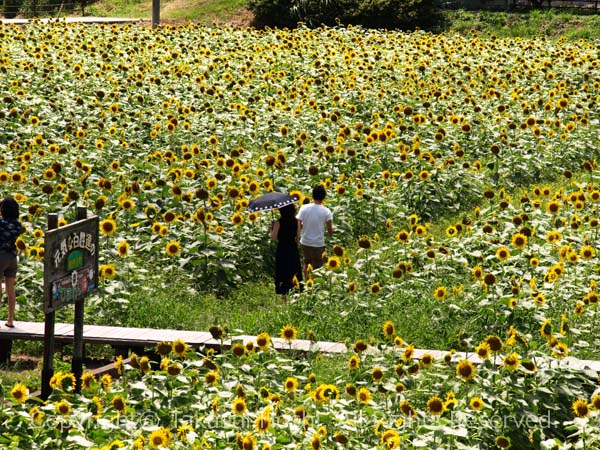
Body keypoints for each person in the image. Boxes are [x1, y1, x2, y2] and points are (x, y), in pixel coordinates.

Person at [296, 184, 333, 279]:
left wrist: (299, 235)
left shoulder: (304, 208)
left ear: (312, 196)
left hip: (305, 242)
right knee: (318, 267)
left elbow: (298, 223)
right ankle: (315, 287)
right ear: (324, 197)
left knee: (307, 263)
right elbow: (330, 231)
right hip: (318, 244)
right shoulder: (326, 211)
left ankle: (307, 284)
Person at [270, 203, 302, 298]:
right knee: (294, 271)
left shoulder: (277, 222)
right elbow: (298, 239)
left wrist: (271, 229)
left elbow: (273, 238)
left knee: (283, 272)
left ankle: (284, 298)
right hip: (292, 248)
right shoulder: (297, 221)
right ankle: (296, 296)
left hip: (282, 249)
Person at [0, 197, 23, 328]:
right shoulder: (17, 224)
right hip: (12, 257)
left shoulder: (1, 223)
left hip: (0, 255)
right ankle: (10, 320)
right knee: (10, 289)